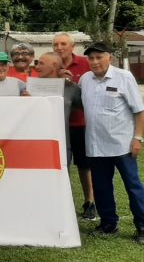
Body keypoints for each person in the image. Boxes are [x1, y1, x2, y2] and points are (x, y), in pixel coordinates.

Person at [79, 41, 144, 243]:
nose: (95, 61)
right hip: (95, 144)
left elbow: (139, 110)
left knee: (133, 186)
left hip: (121, 144)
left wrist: (138, 138)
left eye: (99, 57)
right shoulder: (85, 79)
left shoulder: (123, 77)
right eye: (91, 58)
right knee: (101, 187)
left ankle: (142, 227)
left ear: (110, 57)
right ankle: (108, 224)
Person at [54, 31, 95, 220]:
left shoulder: (86, 64)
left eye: (63, 44)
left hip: (80, 123)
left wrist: (71, 82)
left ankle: (90, 202)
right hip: (56, 124)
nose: (59, 48)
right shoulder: (50, 64)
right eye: (56, 45)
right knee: (61, 165)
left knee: (84, 165)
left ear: (72, 46)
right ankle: (62, 204)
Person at [31, 52, 82, 166]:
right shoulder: (29, 87)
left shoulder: (71, 88)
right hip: (34, 142)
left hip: (62, 143)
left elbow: (87, 108)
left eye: (41, 63)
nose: (37, 67)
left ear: (54, 65)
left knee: (62, 180)